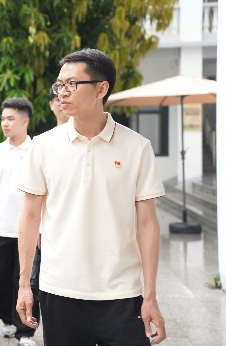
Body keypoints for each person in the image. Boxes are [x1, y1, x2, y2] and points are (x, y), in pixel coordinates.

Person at [16, 49, 167, 345]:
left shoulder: (137, 147)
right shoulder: (42, 146)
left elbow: (148, 223)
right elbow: (30, 217)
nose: (62, 92)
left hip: (122, 292)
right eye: (59, 84)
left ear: (101, 88)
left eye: (72, 84)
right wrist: (24, 285)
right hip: (59, 289)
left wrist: (150, 295)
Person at [0, 97, 38, 346]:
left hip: (30, 231)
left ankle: (25, 331)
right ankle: (7, 318)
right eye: (3, 119)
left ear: (25, 121)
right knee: (0, 279)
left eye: (10, 118)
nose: (5, 123)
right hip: (1, 228)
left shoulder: (37, 151)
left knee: (27, 281)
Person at [28, 87, 69, 333]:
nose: (63, 102)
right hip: (47, 232)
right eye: (57, 98)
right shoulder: (43, 144)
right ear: (51, 105)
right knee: (36, 281)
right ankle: (30, 327)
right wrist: (38, 230)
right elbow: (34, 199)